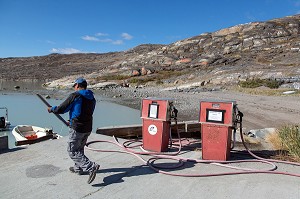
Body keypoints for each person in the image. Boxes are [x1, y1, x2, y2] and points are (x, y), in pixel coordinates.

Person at [47, 77, 99, 184]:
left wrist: (51, 109)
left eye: (74, 86)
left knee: (72, 150)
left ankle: (90, 167)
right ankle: (78, 168)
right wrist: (71, 121)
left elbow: (61, 109)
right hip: (87, 127)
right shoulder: (92, 98)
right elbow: (84, 113)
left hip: (78, 128)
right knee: (79, 149)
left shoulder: (75, 96)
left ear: (77, 86)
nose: (74, 88)